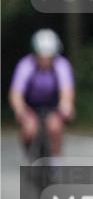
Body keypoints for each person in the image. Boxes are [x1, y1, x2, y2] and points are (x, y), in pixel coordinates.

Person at [9, 29, 75, 157]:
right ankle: (30, 155)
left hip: (53, 105)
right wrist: (20, 109)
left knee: (55, 128)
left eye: (48, 56)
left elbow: (67, 90)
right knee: (29, 130)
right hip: (30, 106)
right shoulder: (25, 64)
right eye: (41, 56)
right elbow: (16, 92)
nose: (45, 60)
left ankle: (55, 161)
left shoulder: (62, 65)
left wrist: (67, 106)